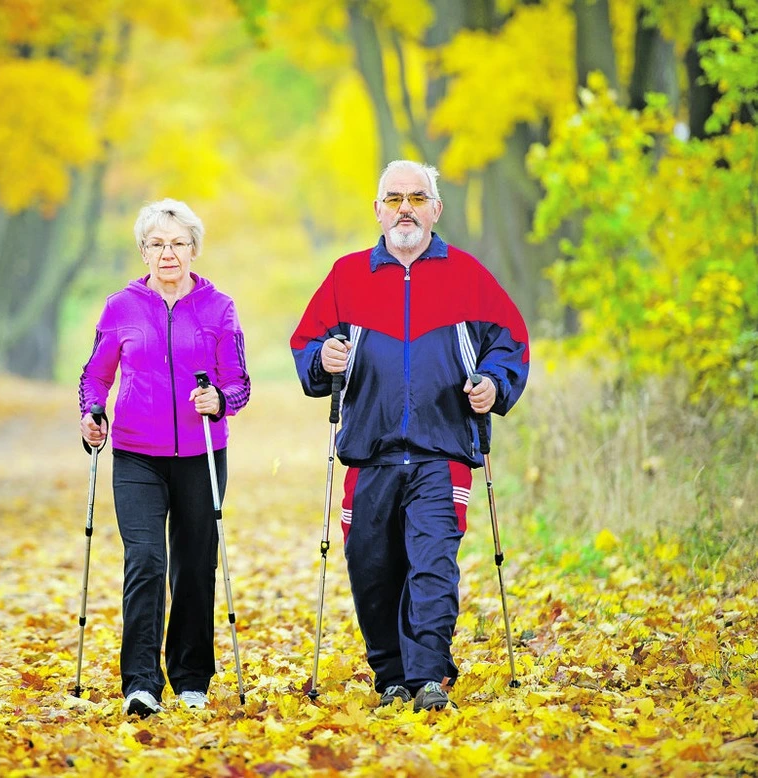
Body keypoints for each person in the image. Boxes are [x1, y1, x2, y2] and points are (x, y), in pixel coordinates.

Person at [289, 160, 530, 712]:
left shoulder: (467, 275)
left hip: (442, 449)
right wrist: (323, 359)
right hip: (367, 452)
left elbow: (510, 340)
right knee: (371, 566)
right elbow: (307, 346)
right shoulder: (347, 276)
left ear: (435, 210)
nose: (405, 208)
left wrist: (494, 383)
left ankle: (427, 678)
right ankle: (391, 674)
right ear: (377, 211)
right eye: (394, 198)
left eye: (417, 198)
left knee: (432, 562)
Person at [79, 198, 251, 717]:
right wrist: (92, 411)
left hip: (201, 452)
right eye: (157, 244)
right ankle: (140, 682)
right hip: (136, 454)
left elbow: (239, 383)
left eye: (177, 243)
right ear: (144, 251)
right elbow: (97, 374)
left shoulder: (219, 308)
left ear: (194, 249)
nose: (168, 253)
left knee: (196, 566)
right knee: (147, 562)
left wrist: (219, 400)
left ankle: (192, 675)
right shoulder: (120, 307)